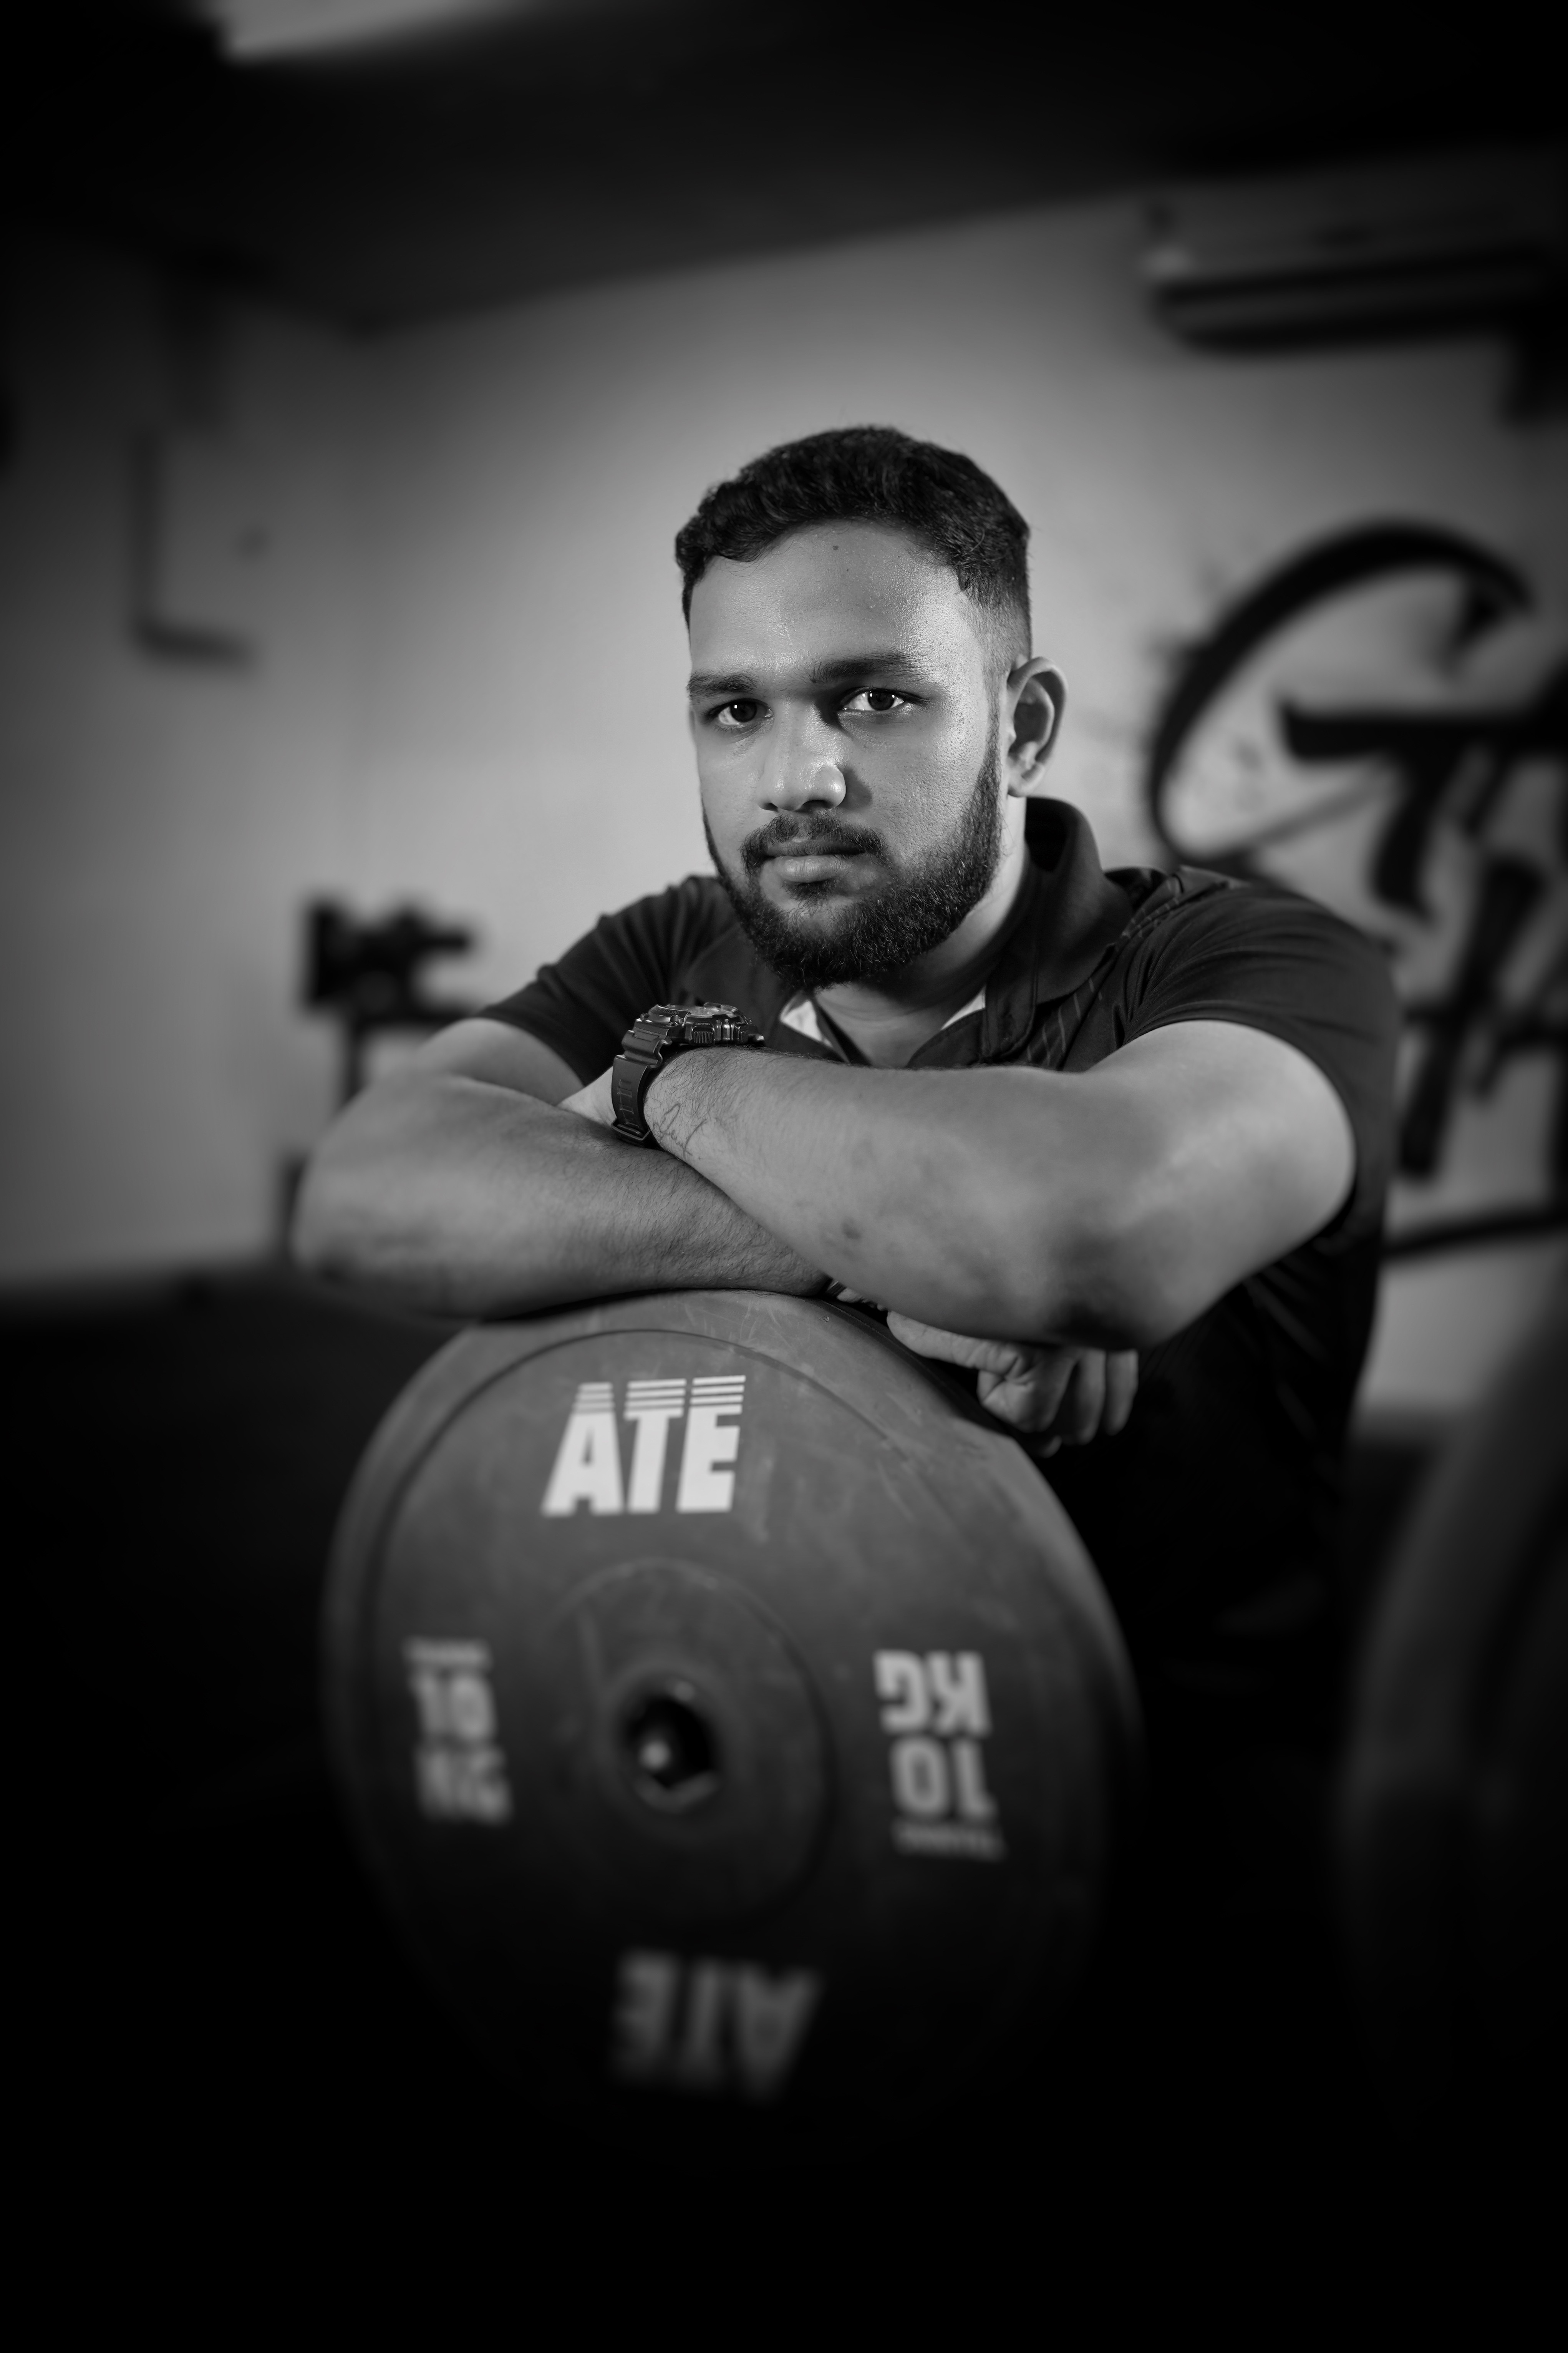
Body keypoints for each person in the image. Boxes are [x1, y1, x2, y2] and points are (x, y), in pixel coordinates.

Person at [294, 425, 1398, 1680]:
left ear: (1022, 728)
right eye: (734, 710)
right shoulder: (678, 944)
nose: (793, 778)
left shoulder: (1269, 962)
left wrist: (674, 1082)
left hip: (1180, 1775)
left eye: (873, 699)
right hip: (790, 1710)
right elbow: (364, 1186)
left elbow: (1085, 1231)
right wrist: (900, 1257)